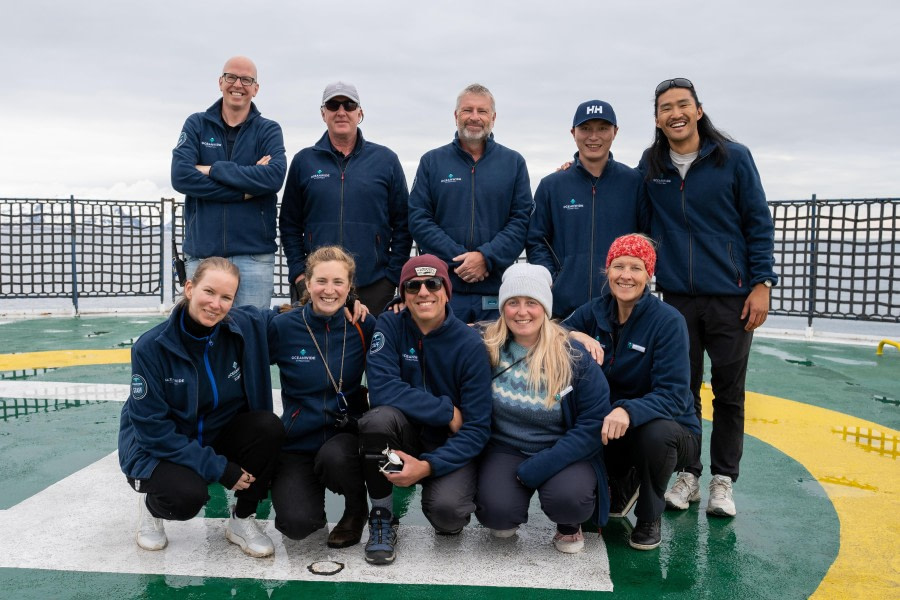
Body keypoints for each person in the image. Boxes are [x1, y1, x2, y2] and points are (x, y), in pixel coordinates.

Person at [639, 78, 777, 517]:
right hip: (677, 297)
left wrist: (763, 283)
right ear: (657, 118)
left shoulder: (733, 158)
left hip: (732, 296)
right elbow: (636, 212)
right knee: (683, 392)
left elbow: (758, 221)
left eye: (683, 105)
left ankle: (723, 480)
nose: (675, 113)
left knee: (729, 391)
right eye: (665, 108)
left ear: (698, 110)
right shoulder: (651, 164)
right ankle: (689, 474)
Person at [118, 257, 284, 557]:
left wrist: (349, 306)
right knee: (184, 498)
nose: (215, 304)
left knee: (268, 428)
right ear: (190, 288)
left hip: (217, 434)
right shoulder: (151, 347)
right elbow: (153, 431)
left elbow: (302, 319)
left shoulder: (244, 327)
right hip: (163, 446)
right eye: (209, 292)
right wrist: (219, 468)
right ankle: (150, 507)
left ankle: (242, 520)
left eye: (226, 297)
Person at [564, 234, 701, 550]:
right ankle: (619, 482)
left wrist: (627, 410)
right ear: (607, 271)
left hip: (671, 430)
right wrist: (575, 334)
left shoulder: (668, 322)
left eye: (636, 268)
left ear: (649, 274)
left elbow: (676, 395)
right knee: (568, 406)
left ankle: (650, 515)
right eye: (618, 266)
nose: (626, 275)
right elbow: (553, 328)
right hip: (610, 425)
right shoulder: (595, 311)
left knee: (656, 435)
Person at [359, 254, 492, 565]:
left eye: (432, 284)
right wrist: (446, 411)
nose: (423, 292)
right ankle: (382, 517)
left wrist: (428, 467)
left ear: (446, 290)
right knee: (378, 420)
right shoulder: (390, 325)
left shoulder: (469, 345)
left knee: (449, 516)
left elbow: (476, 429)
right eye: (413, 285)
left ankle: (440, 491)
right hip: (402, 438)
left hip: (445, 445)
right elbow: (382, 390)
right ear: (403, 294)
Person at [475, 263, 611, 554]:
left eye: (531, 303)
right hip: (506, 446)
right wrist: (398, 302)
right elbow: (440, 324)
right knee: (497, 514)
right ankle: (505, 505)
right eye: (513, 302)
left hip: (561, 448)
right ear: (502, 307)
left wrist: (541, 466)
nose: (522, 312)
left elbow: (592, 423)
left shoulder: (574, 357)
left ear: (545, 308)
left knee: (570, 500)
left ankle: (568, 525)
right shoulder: (485, 345)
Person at [267, 246, 375, 549]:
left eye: (338, 283)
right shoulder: (283, 327)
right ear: (307, 283)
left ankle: (356, 509)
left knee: (336, 457)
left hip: (345, 438)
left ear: (350, 287)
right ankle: (310, 501)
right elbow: (242, 328)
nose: (330, 290)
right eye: (321, 281)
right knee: (298, 525)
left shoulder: (363, 325)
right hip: (298, 440)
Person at [280, 81, 411, 314]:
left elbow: (403, 223)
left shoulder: (386, 160)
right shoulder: (303, 161)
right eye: (333, 105)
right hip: (318, 284)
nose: (341, 112)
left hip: (373, 284)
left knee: (372, 349)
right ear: (323, 114)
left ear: (360, 113)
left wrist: (392, 277)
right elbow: (289, 224)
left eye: (349, 105)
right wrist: (300, 275)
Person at [408, 83, 533, 323]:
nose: (474, 117)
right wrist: (461, 259)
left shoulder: (513, 163)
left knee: (495, 358)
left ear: (493, 118)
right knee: (444, 358)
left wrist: (485, 257)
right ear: (456, 116)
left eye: (482, 111)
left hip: (496, 288)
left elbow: (521, 221)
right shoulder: (432, 162)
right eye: (467, 110)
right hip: (443, 287)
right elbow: (419, 218)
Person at [171, 56, 287, 309]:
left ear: (256, 88)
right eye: (231, 77)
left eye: (247, 79)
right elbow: (180, 176)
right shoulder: (196, 124)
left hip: (253, 256)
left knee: (250, 334)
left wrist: (212, 169)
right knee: (199, 334)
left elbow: (274, 177)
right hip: (202, 254)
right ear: (220, 82)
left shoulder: (269, 130)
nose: (238, 84)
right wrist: (244, 190)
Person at [526, 99, 648, 319]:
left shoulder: (634, 183)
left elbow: (647, 238)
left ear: (615, 132)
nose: (594, 137)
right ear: (573, 132)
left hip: (623, 310)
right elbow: (536, 240)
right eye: (586, 129)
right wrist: (553, 279)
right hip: (564, 311)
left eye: (603, 128)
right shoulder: (551, 185)